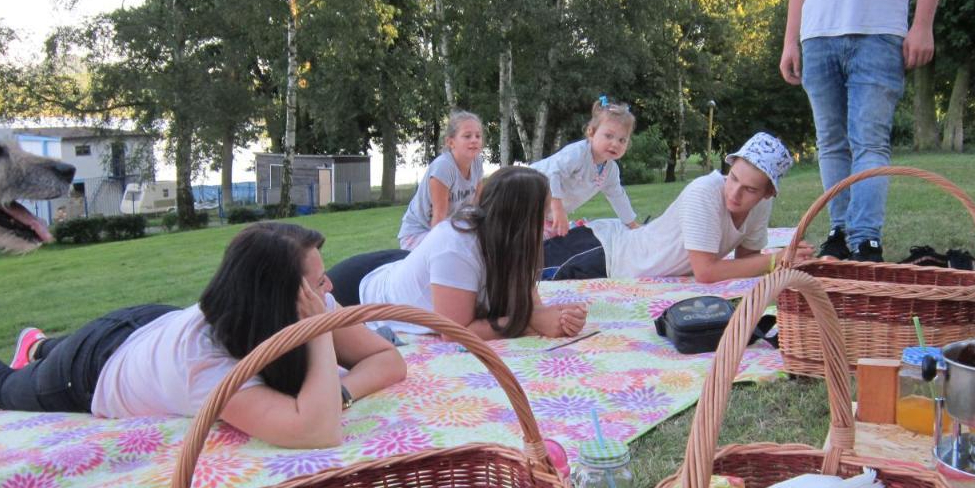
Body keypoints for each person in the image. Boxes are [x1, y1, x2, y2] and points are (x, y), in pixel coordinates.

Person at [0, 223, 407, 449]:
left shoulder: (303, 301)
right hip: (93, 371)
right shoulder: (204, 365)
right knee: (3, 389)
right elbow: (316, 431)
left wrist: (341, 390)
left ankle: (41, 345)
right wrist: (319, 337)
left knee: (66, 348)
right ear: (277, 300)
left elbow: (389, 360)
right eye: (317, 283)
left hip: (151, 325)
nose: (329, 291)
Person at [779, 0, 949, 263]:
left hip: (878, 32)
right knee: (831, 143)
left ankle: (866, 240)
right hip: (818, 35)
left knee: (869, 141)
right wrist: (790, 38)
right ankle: (838, 232)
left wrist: (922, 24)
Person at [329, 166, 588, 340]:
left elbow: (527, 305)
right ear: (521, 220)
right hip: (356, 292)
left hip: (401, 268)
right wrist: (528, 323)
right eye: (542, 213)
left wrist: (560, 317)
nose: (548, 219)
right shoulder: (456, 246)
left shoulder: (511, 241)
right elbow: (455, 331)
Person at [542, 132, 815, 282]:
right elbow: (706, 272)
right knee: (516, 271)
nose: (734, 192)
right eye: (733, 178)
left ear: (768, 193)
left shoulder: (759, 207)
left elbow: (747, 263)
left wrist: (786, 260)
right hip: (607, 251)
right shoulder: (704, 193)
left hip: (614, 255)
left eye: (750, 189)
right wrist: (776, 259)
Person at [531, 96, 640, 238]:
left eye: (622, 140)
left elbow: (617, 196)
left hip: (546, 213)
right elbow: (552, 174)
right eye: (608, 136)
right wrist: (557, 208)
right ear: (591, 133)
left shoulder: (611, 170)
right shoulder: (578, 153)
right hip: (526, 192)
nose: (615, 144)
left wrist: (632, 224)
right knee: (520, 240)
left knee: (550, 244)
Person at [397, 110, 485, 250]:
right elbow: (438, 220)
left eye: (478, 136)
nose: (474, 140)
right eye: (467, 136)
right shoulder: (443, 167)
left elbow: (478, 206)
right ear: (451, 142)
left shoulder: (477, 163)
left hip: (450, 229)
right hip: (419, 233)